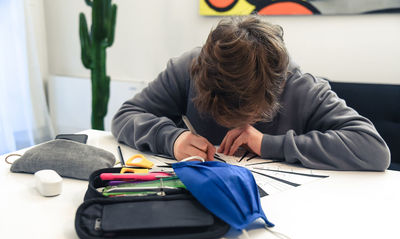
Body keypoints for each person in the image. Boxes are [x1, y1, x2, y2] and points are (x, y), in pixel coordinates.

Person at [111, 16, 390, 171]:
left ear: (277, 90)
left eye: (246, 116)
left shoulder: (301, 87)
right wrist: (173, 138)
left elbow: (374, 151)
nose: (230, 127)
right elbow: (125, 115)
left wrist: (269, 144)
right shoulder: (188, 68)